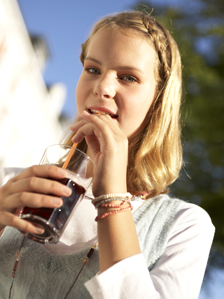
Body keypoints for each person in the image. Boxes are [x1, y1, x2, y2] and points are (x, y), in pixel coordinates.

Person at [0, 10, 214, 299]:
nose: (102, 88)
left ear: (158, 102)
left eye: (127, 77)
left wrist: (112, 198)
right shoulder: (10, 182)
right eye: (92, 69)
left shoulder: (183, 227)